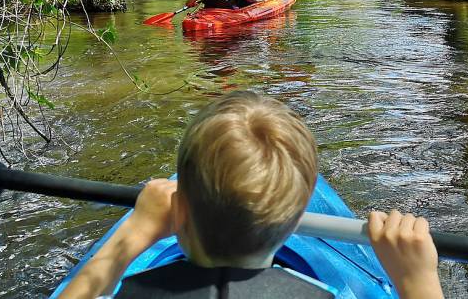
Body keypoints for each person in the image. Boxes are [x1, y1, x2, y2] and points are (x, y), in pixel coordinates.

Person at [58, 92, 445, 299]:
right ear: (297, 220)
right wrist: (418, 282)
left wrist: (132, 235)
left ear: (180, 212)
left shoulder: (129, 295)